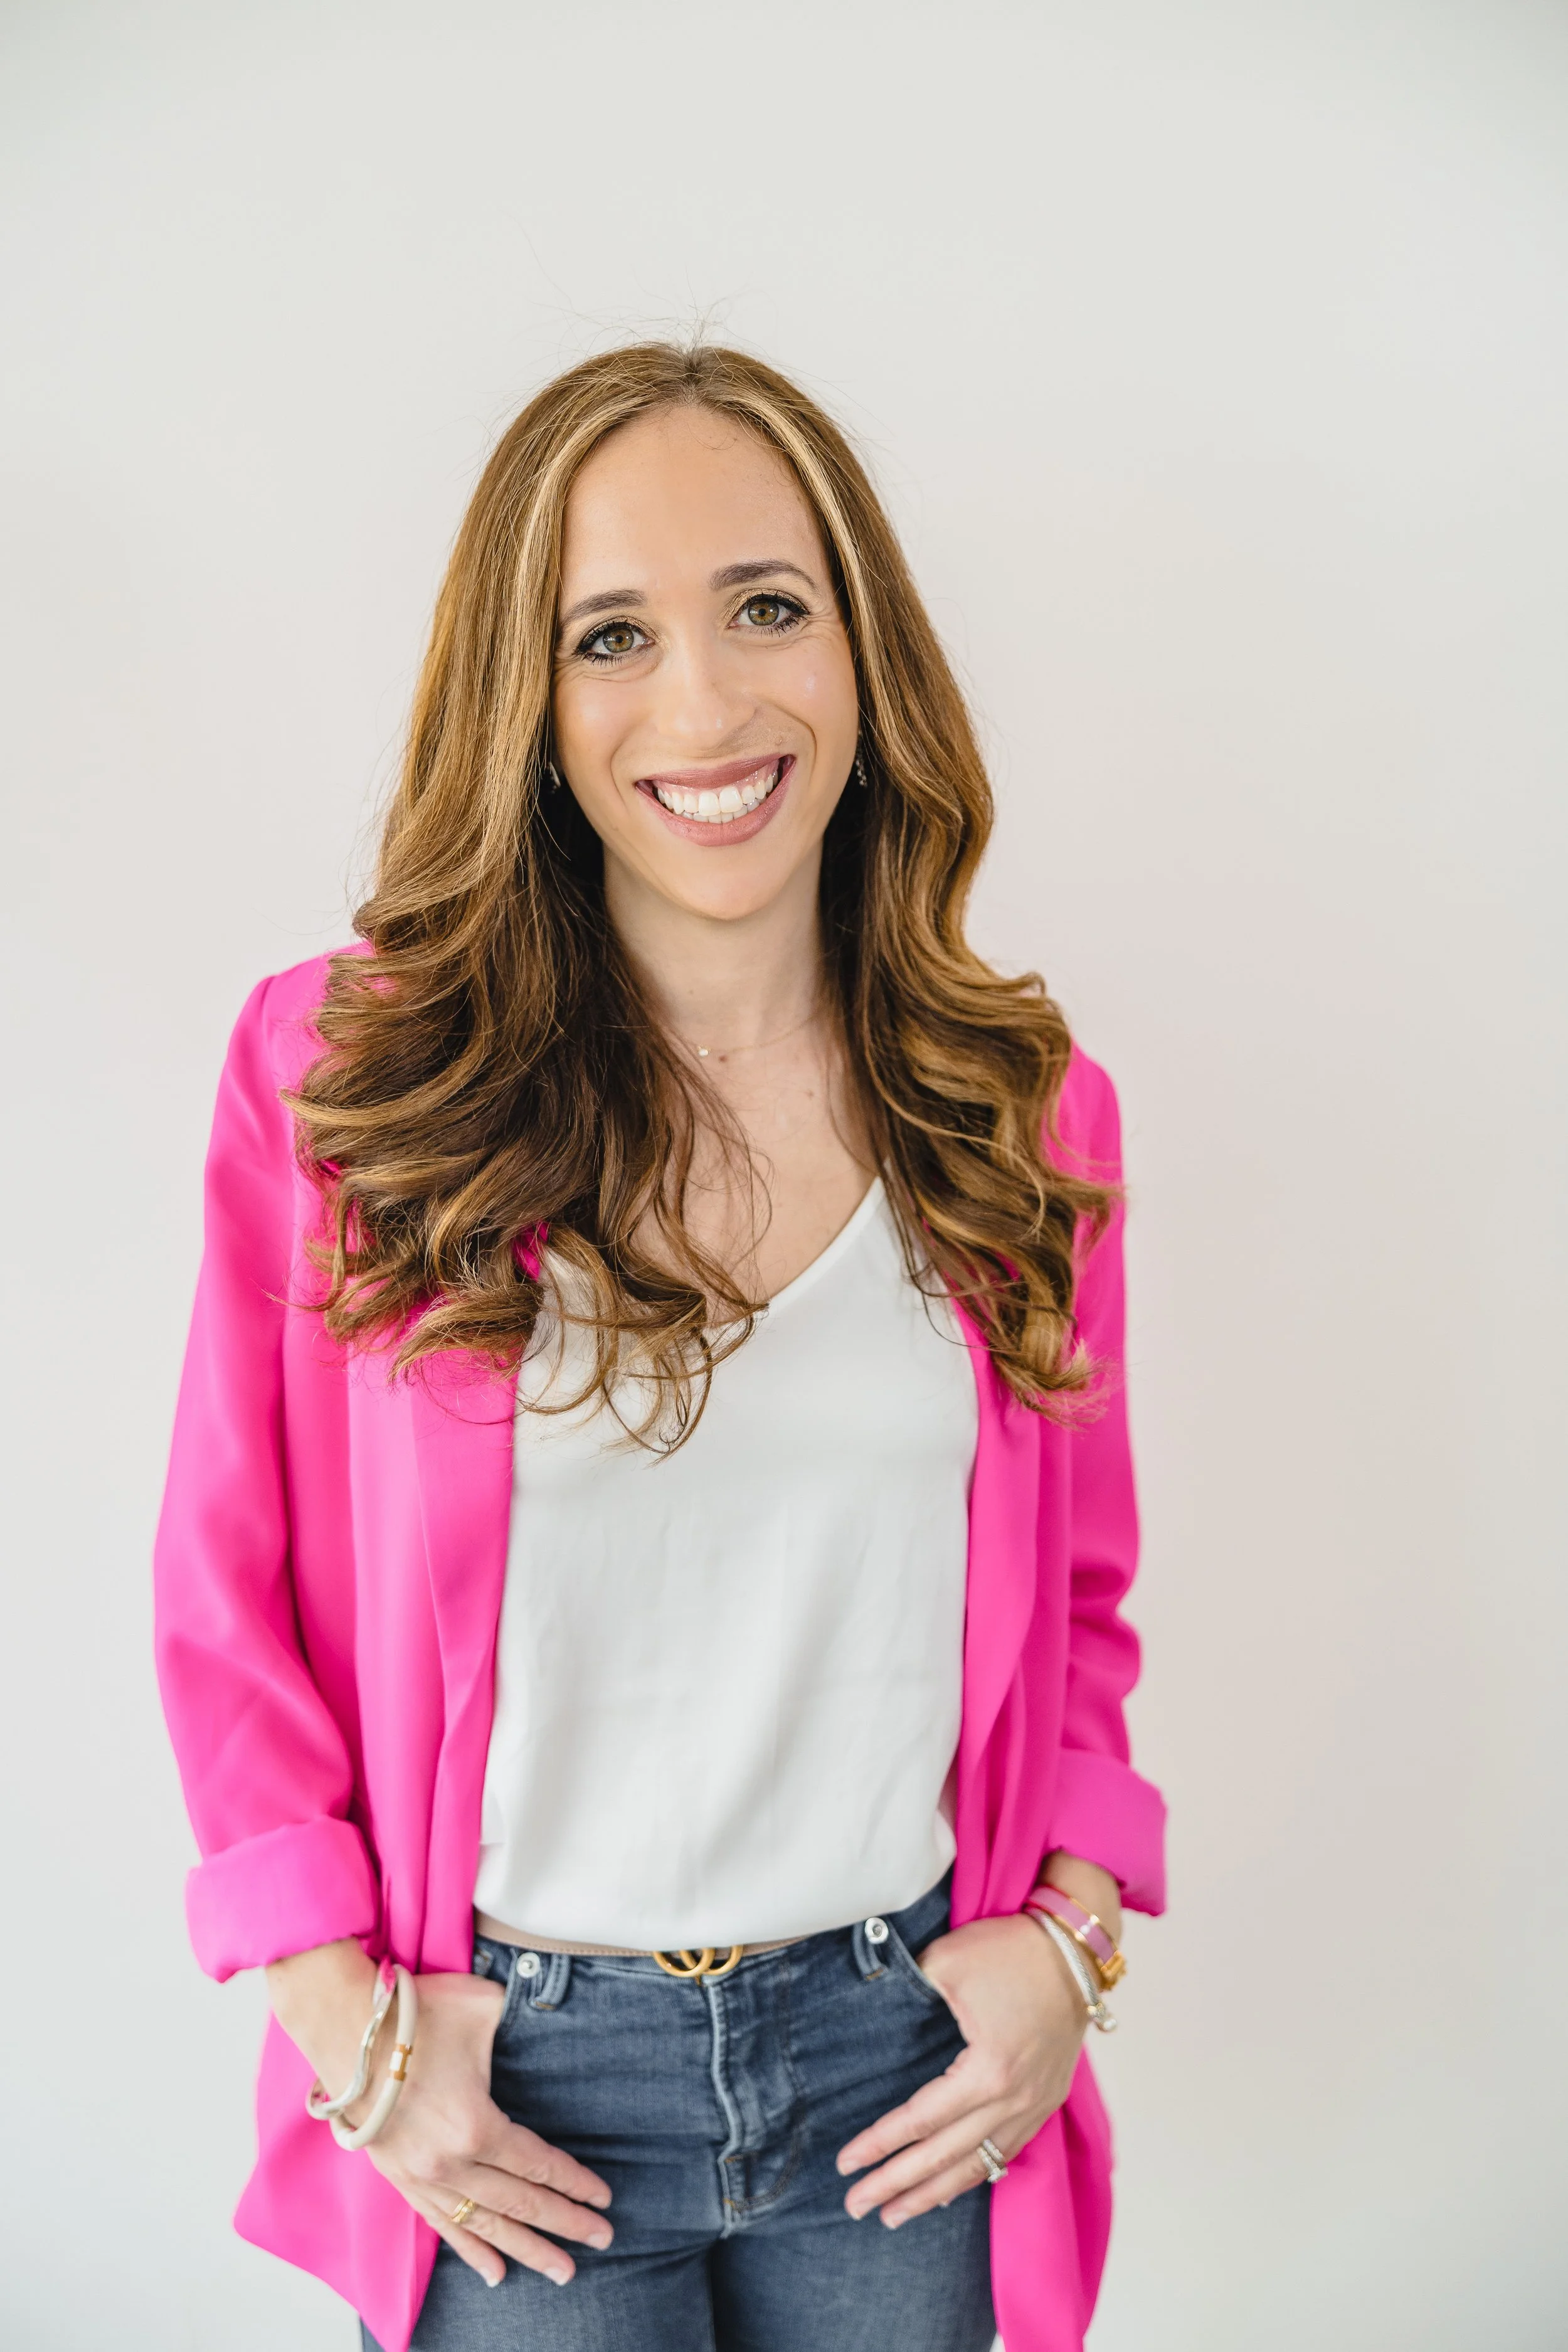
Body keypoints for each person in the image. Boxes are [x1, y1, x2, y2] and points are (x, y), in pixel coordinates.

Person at [154, 341, 1165, 2352]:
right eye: (609, 634)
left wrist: (1070, 1936)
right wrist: (341, 2019)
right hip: (514, 2088)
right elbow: (224, 1588)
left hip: (903, 2075)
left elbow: (1077, 1598)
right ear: (525, 705)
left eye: (765, 607)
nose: (702, 705)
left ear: (862, 646)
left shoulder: (1016, 1113)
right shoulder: (345, 1085)